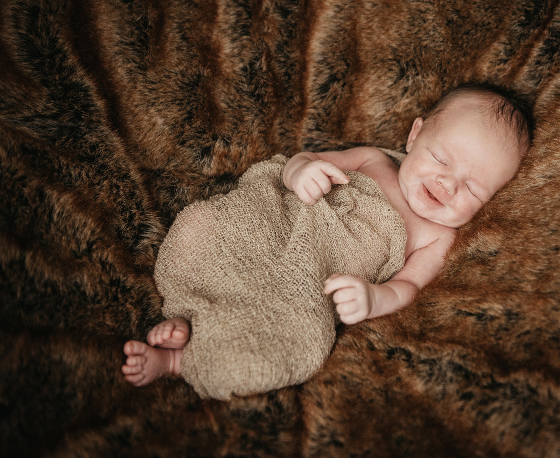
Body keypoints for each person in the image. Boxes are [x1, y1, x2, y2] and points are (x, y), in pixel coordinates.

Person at [122, 84, 534, 389]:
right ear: (414, 137)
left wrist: (374, 298)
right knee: (205, 228)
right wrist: (300, 171)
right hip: (278, 225)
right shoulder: (373, 159)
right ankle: (189, 307)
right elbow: (306, 160)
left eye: (472, 189)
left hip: (310, 281)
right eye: (441, 159)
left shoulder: (438, 238)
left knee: (298, 335)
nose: (446, 184)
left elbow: (407, 286)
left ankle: (178, 360)